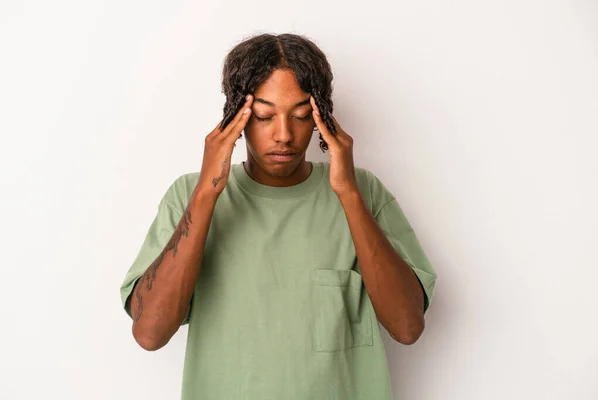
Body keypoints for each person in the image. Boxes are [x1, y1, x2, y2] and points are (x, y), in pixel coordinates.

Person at [120, 33, 437, 400]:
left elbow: (407, 327)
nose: (284, 135)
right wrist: (207, 192)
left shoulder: (363, 191)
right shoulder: (188, 196)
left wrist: (348, 194)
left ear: (321, 118)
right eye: (264, 116)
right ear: (236, 118)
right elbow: (150, 333)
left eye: (301, 115)